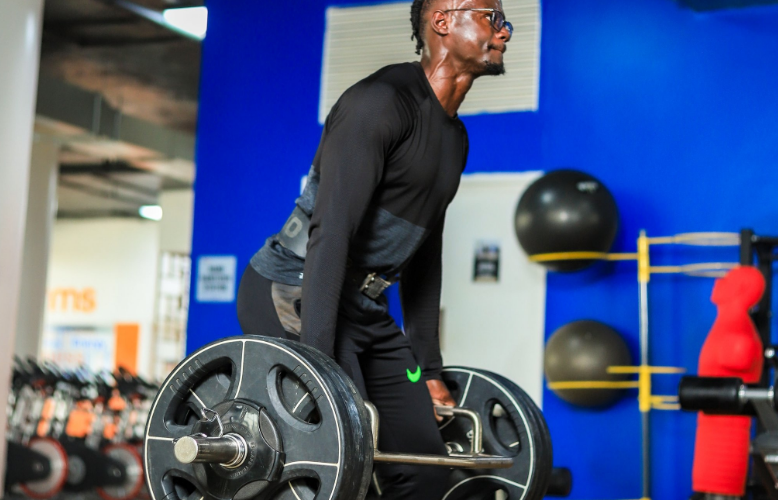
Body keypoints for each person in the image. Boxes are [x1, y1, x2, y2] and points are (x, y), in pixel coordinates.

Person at [236, 0, 512, 498]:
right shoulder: (379, 102)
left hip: (364, 308)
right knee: (347, 457)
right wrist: (318, 365)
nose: (505, 31)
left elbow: (426, 253)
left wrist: (427, 368)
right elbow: (332, 233)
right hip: (295, 290)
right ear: (443, 22)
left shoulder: (455, 138)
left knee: (426, 470)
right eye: (491, 17)